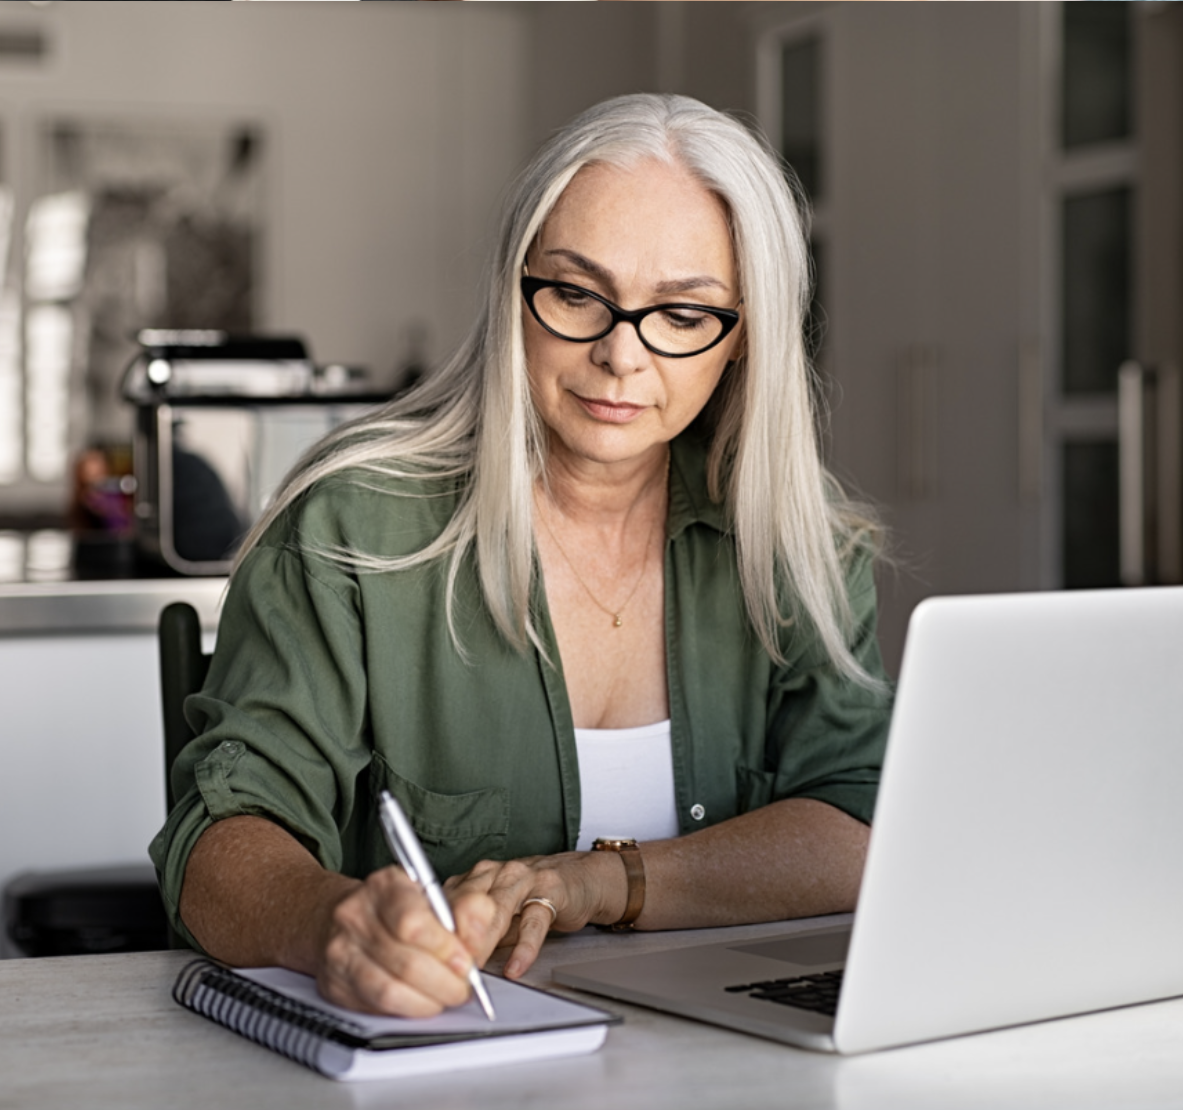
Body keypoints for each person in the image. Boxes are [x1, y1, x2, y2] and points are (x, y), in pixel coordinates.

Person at [148, 93, 891, 1019]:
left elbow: (859, 825)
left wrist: (597, 883)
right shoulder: (351, 523)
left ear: (743, 340)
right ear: (515, 291)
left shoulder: (798, 539)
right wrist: (329, 923)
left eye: (684, 313)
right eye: (578, 294)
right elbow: (218, 841)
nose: (622, 355)